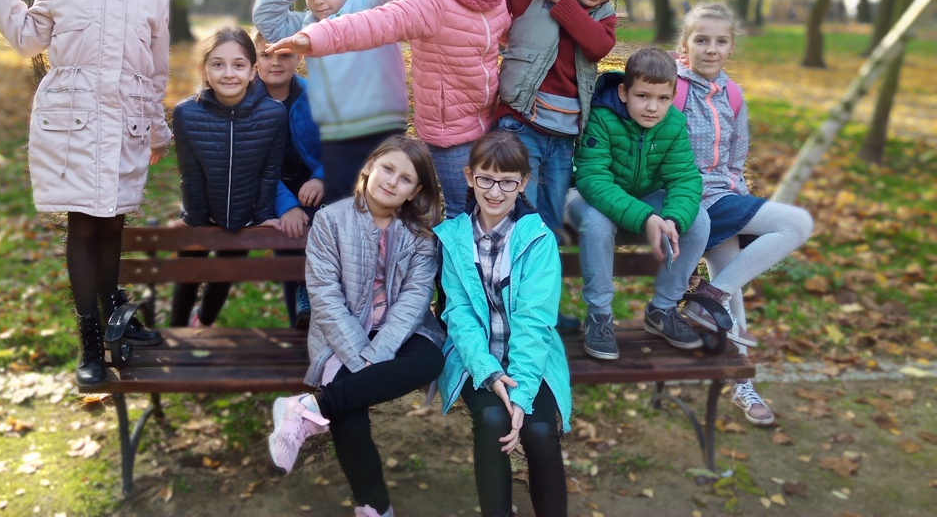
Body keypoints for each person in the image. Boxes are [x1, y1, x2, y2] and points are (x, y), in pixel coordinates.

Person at [0, 0, 169, 387]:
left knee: (113, 222)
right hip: (75, 123)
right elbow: (26, 38)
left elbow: (156, 71)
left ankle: (116, 317)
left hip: (126, 122)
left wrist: (157, 130)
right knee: (84, 223)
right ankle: (90, 339)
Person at [382, 0, 634, 332]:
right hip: (521, 125)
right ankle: (503, 311)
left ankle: (539, 309)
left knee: (547, 226)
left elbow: (597, 45)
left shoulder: (602, 16)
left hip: (563, 139)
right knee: (515, 218)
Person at [266, 0, 518, 219]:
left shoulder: (497, 0)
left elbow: (514, 36)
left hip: (487, 120)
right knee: (460, 211)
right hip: (448, 130)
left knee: (488, 205)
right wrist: (312, 38)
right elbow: (376, 22)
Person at [266, 136, 445, 517]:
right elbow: (324, 297)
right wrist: (359, 355)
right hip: (340, 332)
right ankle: (374, 506)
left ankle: (307, 408)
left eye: (406, 179)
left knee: (431, 359)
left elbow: (414, 300)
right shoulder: (330, 220)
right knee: (349, 412)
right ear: (369, 167)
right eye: (388, 169)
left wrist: (378, 354)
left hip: (400, 330)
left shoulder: (420, 234)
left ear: (415, 192)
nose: (392, 181)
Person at [674, 3, 813, 426]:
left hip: (724, 200)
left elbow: (736, 162)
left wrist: (744, 207)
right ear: (685, 44)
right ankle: (711, 304)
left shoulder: (733, 95)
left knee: (731, 288)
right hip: (684, 200)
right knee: (793, 227)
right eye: (701, 40)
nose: (711, 49)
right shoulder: (673, 87)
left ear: (731, 46)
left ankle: (740, 381)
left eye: (720, 41)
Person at [436, 130, 571, 517]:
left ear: (523, 183)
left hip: (531, 359)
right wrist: (489, 372)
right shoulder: (453, 238)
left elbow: (535, 322)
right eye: (486, 179)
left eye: (508, 182)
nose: (495, 192)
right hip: (475, 357)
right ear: (469, 177)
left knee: (539, 430)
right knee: (493, 417)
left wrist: (522, 393)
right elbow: (459, 315)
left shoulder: (538, 240)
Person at [252, 0, 426, 205]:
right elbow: (266, 20)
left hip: (382, 125)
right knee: (341, 203)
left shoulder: (367, 3)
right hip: (336, 135)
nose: (318, 0)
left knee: (384, 197)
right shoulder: (305, 27)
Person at [565, 47, 710, 360]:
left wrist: (672, 219)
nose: (652, 107)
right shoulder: (602, 116)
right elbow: (593, 179)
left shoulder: (673, 123)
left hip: (644, 196)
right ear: (623, 92)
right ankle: (599, 315)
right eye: (642, 96)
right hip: (589, 197)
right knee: (597, 224)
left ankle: (663, 309)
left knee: (698, 220)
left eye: (663, 98)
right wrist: (645, 218)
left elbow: (685, 179)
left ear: (672, 97)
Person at [168, 26, 287, 328]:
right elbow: (190, 173)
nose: (229, 73)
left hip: (243, 216)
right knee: (188, 276)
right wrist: (195, 219)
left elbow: (269, 170)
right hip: (201, 212)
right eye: (218, 64)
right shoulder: (187, 114)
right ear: (204, 70)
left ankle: (203, 321)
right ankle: (177, 330)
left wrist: (262, 214)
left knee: (224, 274)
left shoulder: (274, 114)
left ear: (253, 71)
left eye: (239, 64)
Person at [252, 27, 324, 329]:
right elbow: (251, 164)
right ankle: (297, 315)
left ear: (299, 58)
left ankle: (320, 306)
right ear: (254, 60)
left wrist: (321, 178)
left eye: (284, 55)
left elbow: (338, 143)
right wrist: (286, 205)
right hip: (266, 187)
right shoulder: (246, 102)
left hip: (312, 184)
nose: (275, 62)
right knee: (287, 238)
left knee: (323, 230)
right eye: (266, 55)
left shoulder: (315, 95)